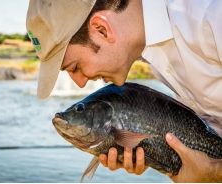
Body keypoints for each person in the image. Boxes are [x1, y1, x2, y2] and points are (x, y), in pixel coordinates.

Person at [26, 0, 222, 182]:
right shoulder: (150, 52)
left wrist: (214, 172)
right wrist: (158, 154)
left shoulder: (212, 17)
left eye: (75, 67)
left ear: (102, 30)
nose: (80, 83)